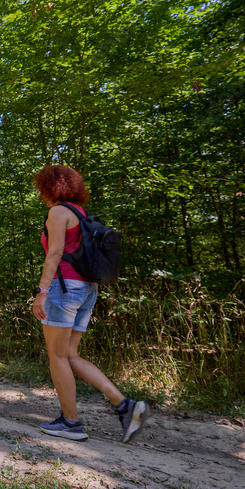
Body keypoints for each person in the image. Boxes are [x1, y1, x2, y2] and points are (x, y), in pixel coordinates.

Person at [32, 165, 149, 443]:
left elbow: (55, 253)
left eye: (41, 189)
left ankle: (71, 423)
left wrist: (41, 291)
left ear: (49, 188)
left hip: (64, 288)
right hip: (87, 289)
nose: (40, 195)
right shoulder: (81, 214)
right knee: (70, 355)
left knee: (57, 356)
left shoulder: (58, 212)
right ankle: (126, 406)